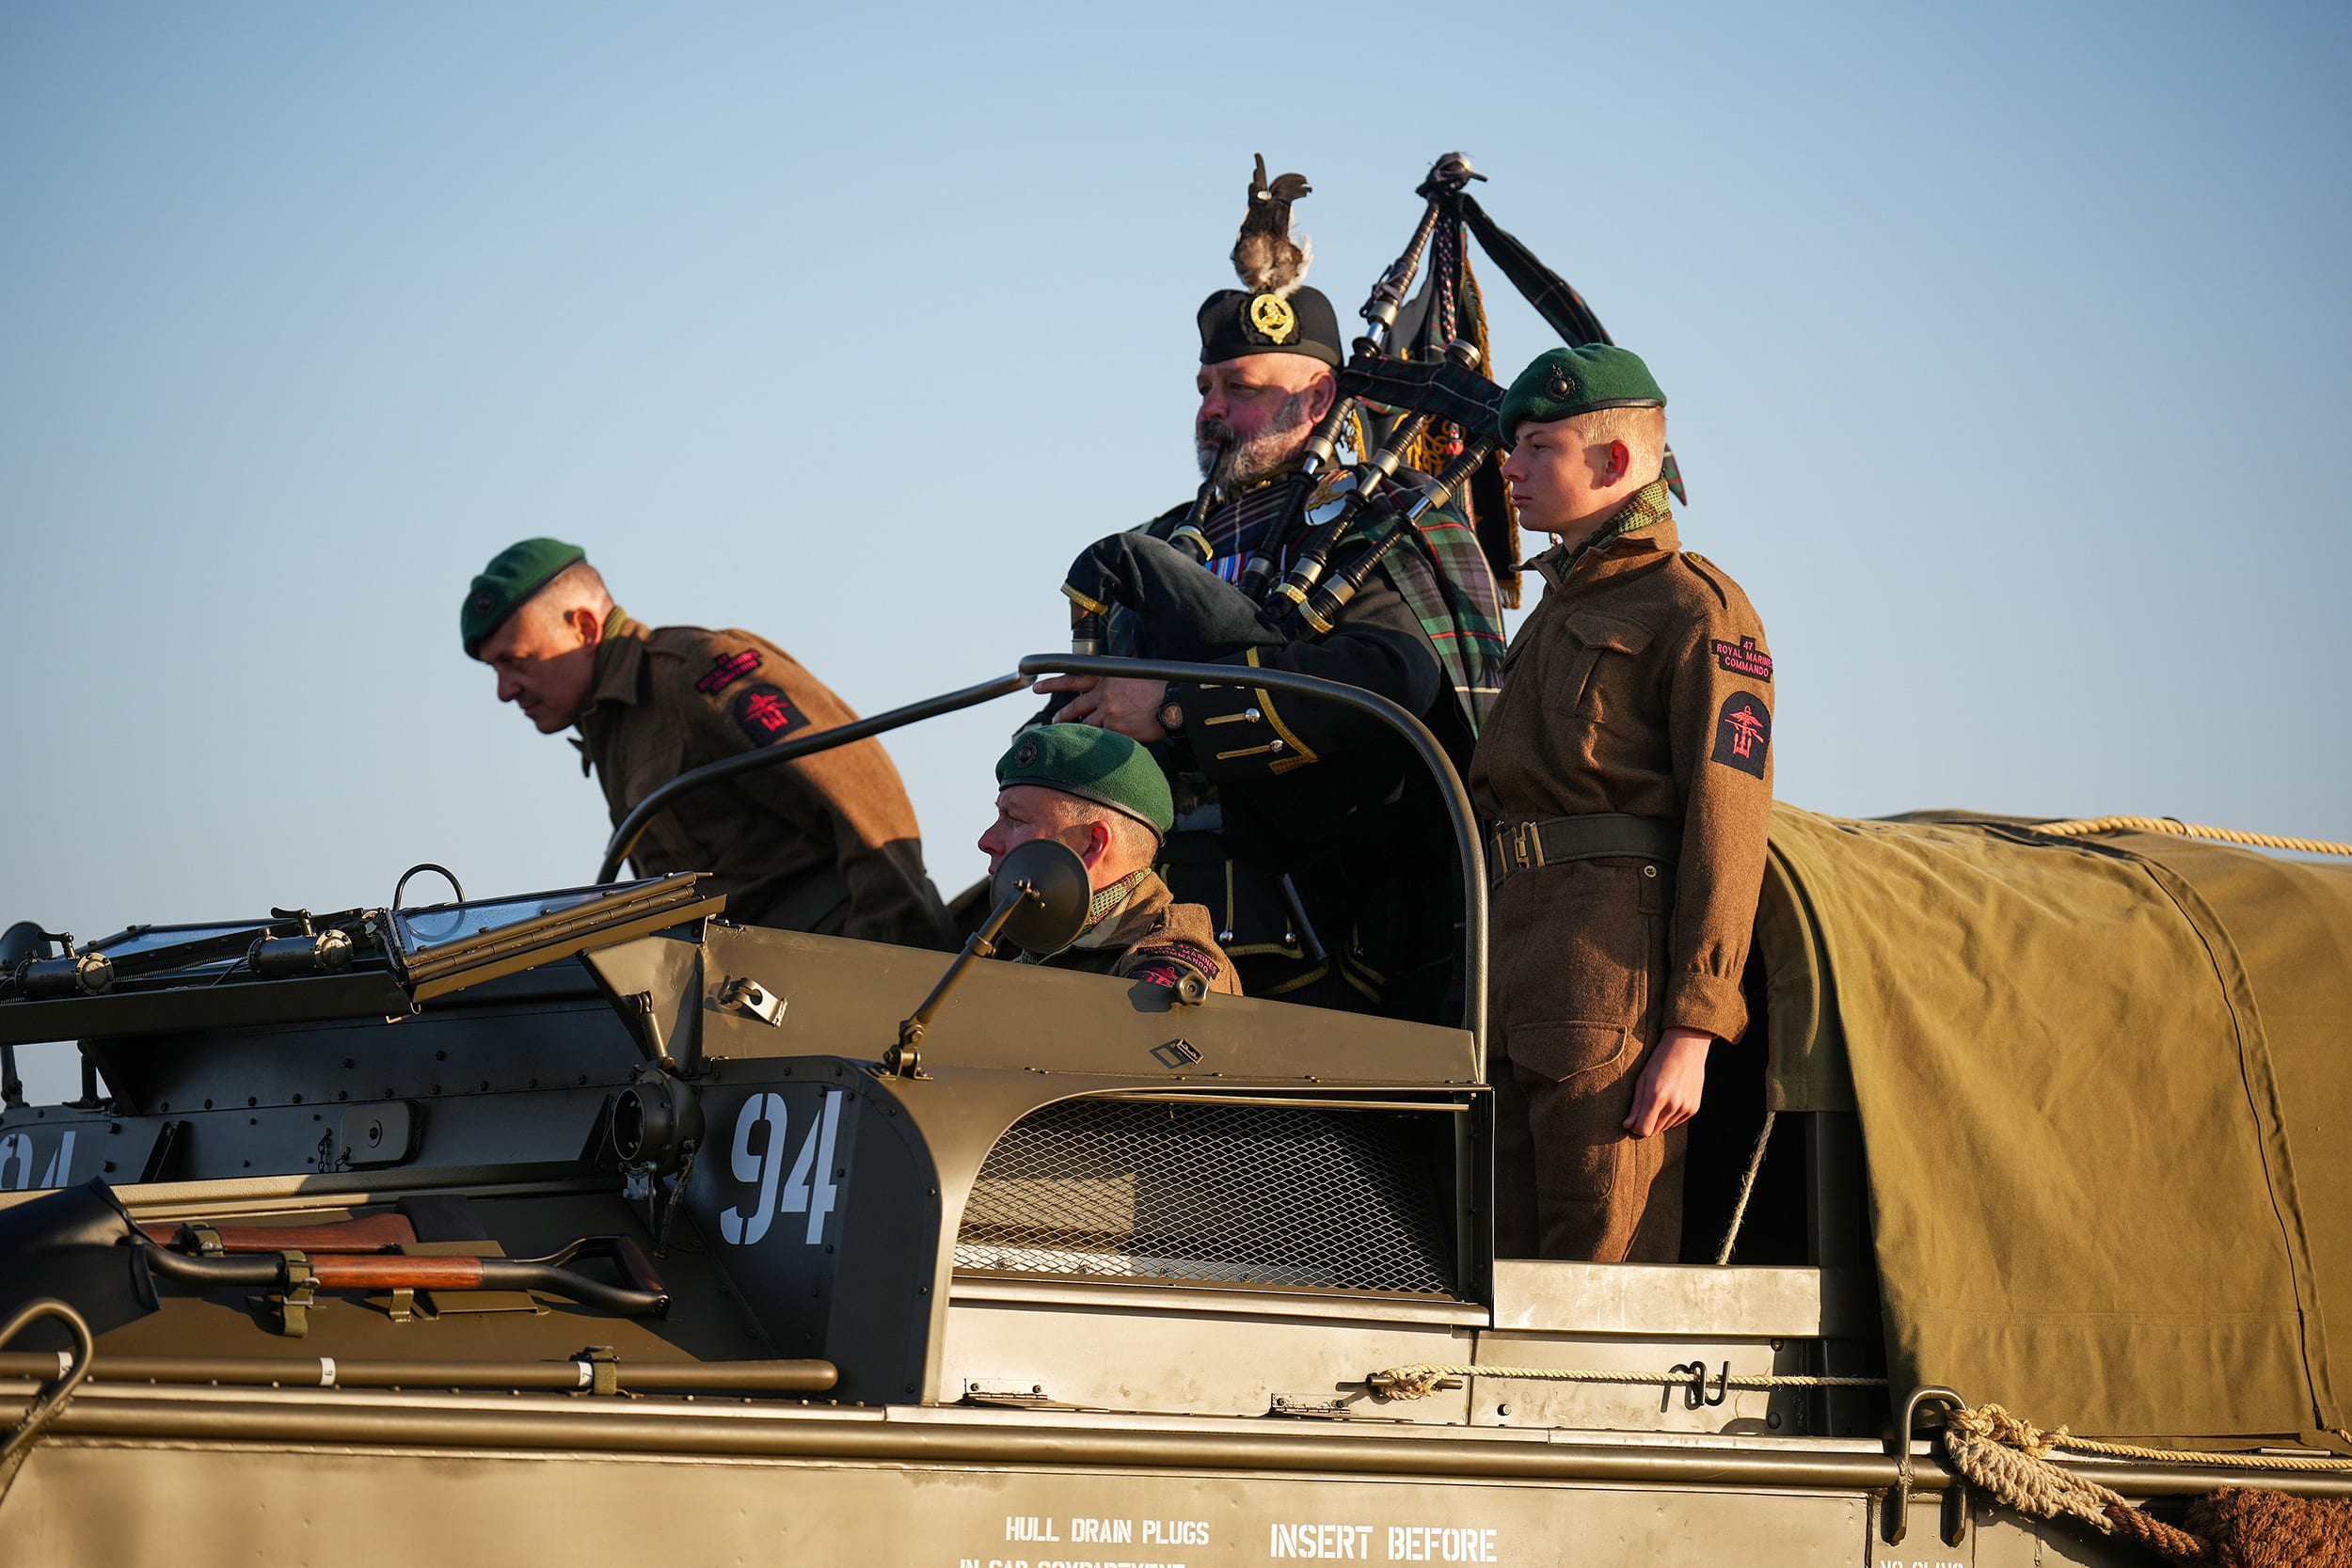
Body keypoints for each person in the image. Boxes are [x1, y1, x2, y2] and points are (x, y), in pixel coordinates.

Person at [1036, 159, 1504, 1018]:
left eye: (1243, 389)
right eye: (1207, 388)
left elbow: (1396, 682)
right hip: (1149, 917)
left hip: (1331, 929)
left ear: (1319, 396)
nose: (1214, 409)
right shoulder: (1159, 538)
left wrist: (1176, 708)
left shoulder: (1381, 516)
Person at [1470, 344, 1775, 1263]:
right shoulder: (1552, 610)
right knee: (1501, 1257)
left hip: (1608, 963)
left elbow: (1730, 824)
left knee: (1597, 1251)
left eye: (1536, 446)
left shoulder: (1698, 611)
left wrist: (1693, 1024)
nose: (1510, 469)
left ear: (1609, 462)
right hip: (1514, 945)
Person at [462, 538, 954, 949]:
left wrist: (893, 960)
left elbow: (860, 789)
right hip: (759, 983)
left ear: (585, 627)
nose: (506, 690)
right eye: (495, 670)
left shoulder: (696, 673)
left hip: (839, 959)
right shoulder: (613, 725)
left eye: (517, 661)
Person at [978, 725, 1238, 994]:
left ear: (1093, 844)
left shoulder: (1166, 966)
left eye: (1016, 820)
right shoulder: (1027, 945)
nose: (986, 841)